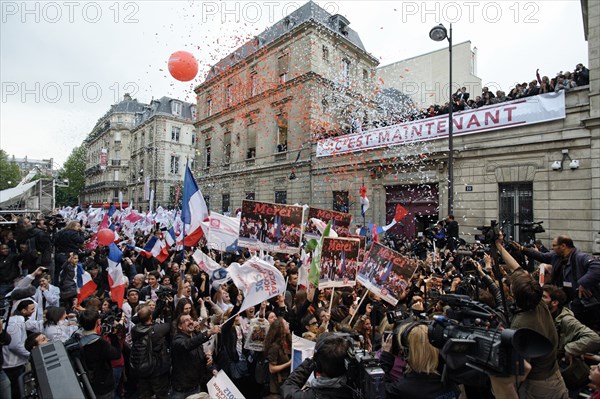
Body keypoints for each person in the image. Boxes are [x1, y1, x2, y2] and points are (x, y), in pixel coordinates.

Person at [496, 238, 569, 398]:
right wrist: (498, 247)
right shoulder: (538, 301)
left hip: (539, 385)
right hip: (555, 375)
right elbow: (517, 269)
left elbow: (522, 368)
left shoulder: (521, 324)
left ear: (514, 294)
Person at [381, 322, 458, 399]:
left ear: (407, 352)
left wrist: (386, 357)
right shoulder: (451, 376)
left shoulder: (405, 388)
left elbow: (379, 391)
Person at [281, 334, 355, 399]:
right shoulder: (357, 390)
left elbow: (288, 388)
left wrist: (310, 362)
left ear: (318, 367)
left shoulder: (312, 396)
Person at [171, 314, 220, 398]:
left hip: (196, 387)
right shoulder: (177, 340)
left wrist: (210, 364)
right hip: (181, 391)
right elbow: (188, 345)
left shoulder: (195, 336)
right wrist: (208, 332)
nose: (190, 322)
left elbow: (200, 356)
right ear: (180, 326)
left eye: (191, 319)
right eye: (186, 320)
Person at [78, 308, 122, 399]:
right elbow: (116, 354)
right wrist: (113, 336)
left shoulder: (77, 337)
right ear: (98, 322)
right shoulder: (99, 343)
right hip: (103, 386)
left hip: (87, 383)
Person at [131, 305, 171, 399]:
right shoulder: (157, 330)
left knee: (145, 395)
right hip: (157, 371)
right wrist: (167, 312)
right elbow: (169, 324)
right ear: (150, 317)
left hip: (142, 369)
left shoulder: (135, 330)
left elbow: (141, 319)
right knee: (161, 395)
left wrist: (158, 308)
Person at [264, 317, 292, 398]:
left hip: (287, 381)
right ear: (281, 328)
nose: (288, 324)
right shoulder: (275, 347)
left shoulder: (287, 341)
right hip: (278, 386)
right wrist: (289, 363)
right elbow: (272, 369)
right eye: (286, 324)